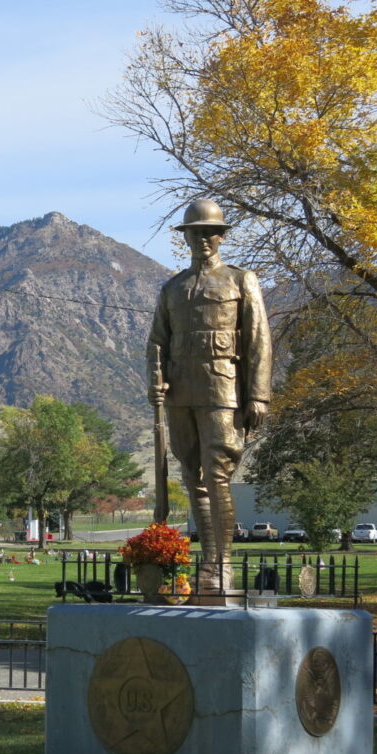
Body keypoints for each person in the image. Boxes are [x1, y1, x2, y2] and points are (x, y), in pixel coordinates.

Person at [147, 198, 272, 597]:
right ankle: (206, 563)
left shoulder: (240, 280)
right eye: (194, 233)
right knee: (193, 478)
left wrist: (258, 395)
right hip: (181, 393)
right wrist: (155, 383)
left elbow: (259, 341)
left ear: (221, 236)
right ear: (186, 238)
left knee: (217, 476)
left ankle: (222, 566)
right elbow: (156, 343)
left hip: (223, 389)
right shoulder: (173, 288)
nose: (202, 239)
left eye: (208, 232)